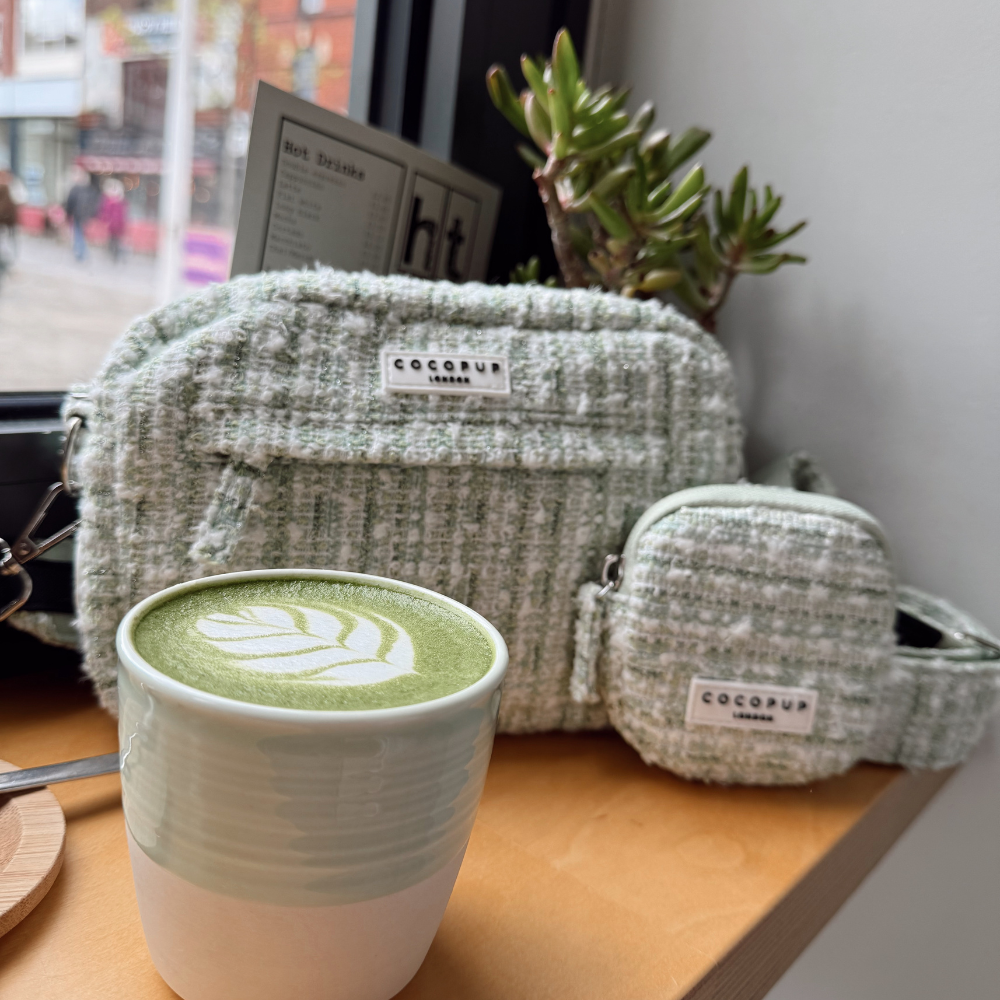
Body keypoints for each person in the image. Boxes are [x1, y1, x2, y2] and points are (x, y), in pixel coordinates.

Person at [65, 171, 101, 262]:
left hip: (77, 215)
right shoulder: (90, 190)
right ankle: (82, 252)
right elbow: (94, 204)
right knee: (80, 234)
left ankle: (80, 252)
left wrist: (68, 214)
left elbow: (70, 203)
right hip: (85, 216)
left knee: (78, 234)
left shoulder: (75, 189)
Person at [99, 178, 128, 263]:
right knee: (113, 240)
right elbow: (105, 213)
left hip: (117, 225)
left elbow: (122, 215)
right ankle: (114, 254)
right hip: (113, 225)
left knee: (116, 240)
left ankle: (116, 254)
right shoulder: (110, 201)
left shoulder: (118, 202)